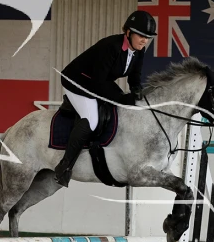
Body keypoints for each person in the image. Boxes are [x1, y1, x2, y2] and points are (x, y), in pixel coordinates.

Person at [53, 10, 157, 187]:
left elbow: (134, 76)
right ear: (128, 32)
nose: (144, 40)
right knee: (91, 120)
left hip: (99, 80)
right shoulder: (110, 46)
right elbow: (98, 83)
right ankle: (65, 166)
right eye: (141, 35)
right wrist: (121, 98)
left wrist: (136, 90)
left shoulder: (139, 50)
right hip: (77, 81)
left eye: (148, 37)